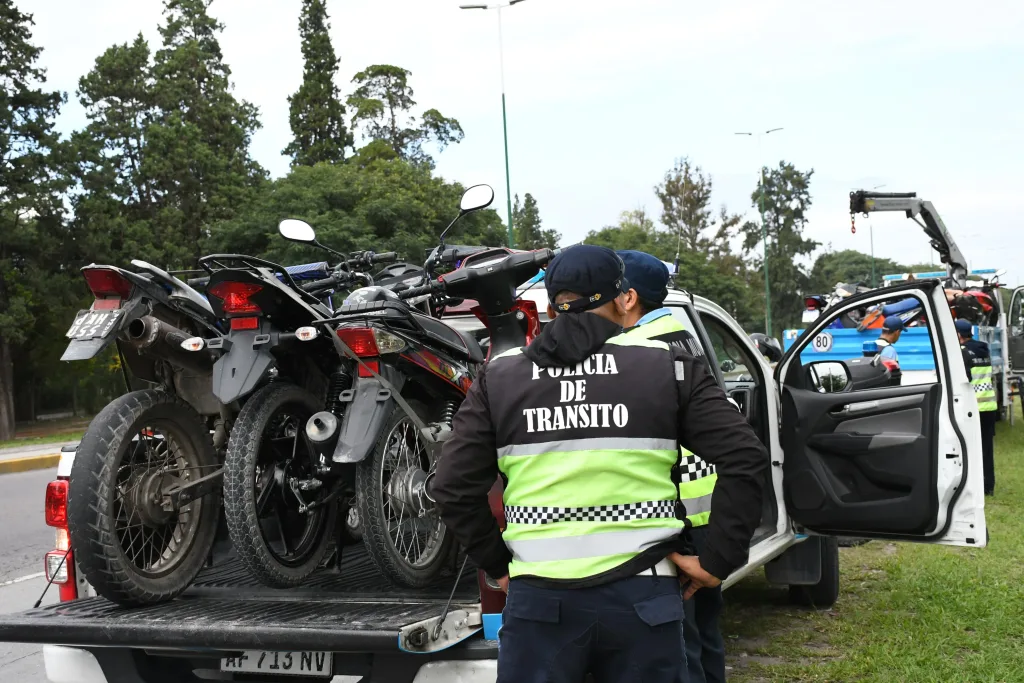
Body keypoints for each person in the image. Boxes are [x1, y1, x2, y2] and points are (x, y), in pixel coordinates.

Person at [430, 245, 768, 683]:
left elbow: (452, 487)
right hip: (643, 598)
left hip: (539, 603)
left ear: (552, 304)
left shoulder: (501, 377)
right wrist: (717, 560)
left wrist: (499, 566)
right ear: (620, 296)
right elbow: (745, 457)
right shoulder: (669, 367)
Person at [616, 250, 727, 683]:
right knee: (705, 635)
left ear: (627, 298)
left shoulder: (634, 351)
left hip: (671, 521)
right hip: (705, 516)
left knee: (679, 648)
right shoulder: (681, 336)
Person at [956, 319, 997, 495]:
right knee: (987, 448)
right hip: (989, 406)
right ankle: (988, 486)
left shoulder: (962, 353)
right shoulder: (984, 349)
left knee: (969, 448)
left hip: (973, 407)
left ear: (958, 335)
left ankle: (973, 485)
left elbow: (961, 380)